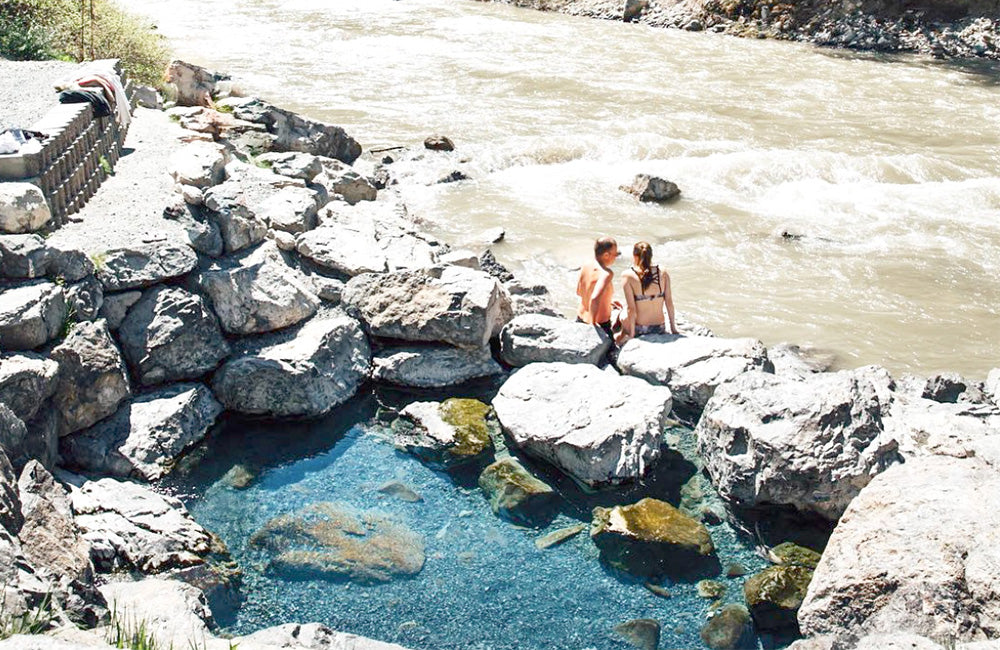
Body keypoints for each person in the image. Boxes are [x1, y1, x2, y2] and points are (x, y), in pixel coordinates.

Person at [618, 241, 678, 344]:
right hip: (660, 327)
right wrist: (673, 328)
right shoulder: (663, 272)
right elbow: (669, 302)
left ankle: (619, 339)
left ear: (634, 256)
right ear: (651, 255)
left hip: (640, 329)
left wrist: (632, 335)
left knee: (622, 313)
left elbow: (631, 309)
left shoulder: (627, 275)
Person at [576, 236, 621, 340]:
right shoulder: (606, 274)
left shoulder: (586, 265)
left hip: (580, 318)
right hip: (599, 324)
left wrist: (607, 301)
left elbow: (580, 292)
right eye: (615, 254)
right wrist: (592, 327)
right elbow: (595, 298)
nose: (616, 257)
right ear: (606, 255)